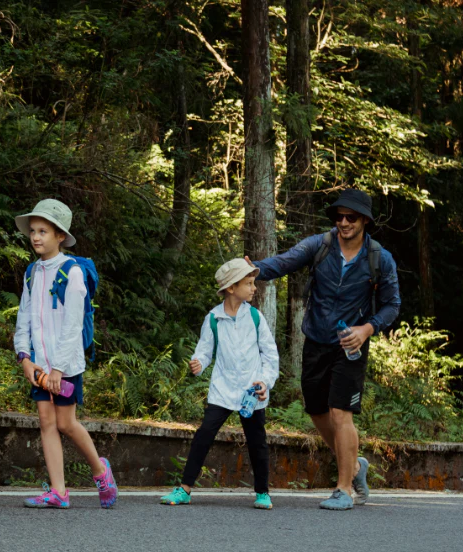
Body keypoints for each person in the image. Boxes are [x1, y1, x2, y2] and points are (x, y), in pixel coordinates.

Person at [249, 188, 401, 510]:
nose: (343, 222)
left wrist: (366, 329)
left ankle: (344, 489)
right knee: (317, 411)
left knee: (339, 412)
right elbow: (284, 262)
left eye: (351, 217)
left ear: (365, 221)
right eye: (339, 216)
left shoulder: (379, 258)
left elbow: (392, 305)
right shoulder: (320, 245)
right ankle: (356, 466)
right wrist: (253, 269)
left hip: (350, 346)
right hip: (316, 340)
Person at [13, 199, 118, 509]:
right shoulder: (32, 272)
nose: (35, 237)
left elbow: (73, 325)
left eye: (43, 231)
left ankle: (101, 472)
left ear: (60, 235)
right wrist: (24, 357)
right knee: (46, 422)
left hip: (64, 365)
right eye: (33, 231)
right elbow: (24, 317)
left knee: (66, 424)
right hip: (39, 366)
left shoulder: (71, 272)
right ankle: (58, 492)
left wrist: (58, 368)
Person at [160, 259, 279, 509]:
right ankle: (184, 489)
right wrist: (198, 364)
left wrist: (266, 381)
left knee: (257, 440)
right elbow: (204, 351)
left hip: (251, 390)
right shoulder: (213, 318)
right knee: (204, 435)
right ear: (232, 288)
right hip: (223, 389)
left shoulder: (256, 317)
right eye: (248, 283)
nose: (254, 288)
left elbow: (270, 354)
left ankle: (262, 493)